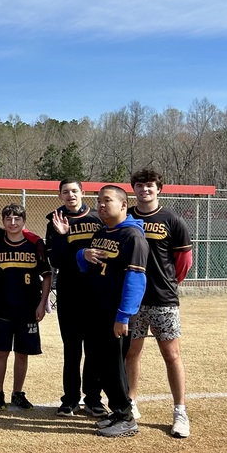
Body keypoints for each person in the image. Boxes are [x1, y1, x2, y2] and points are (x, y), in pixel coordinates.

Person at [125, 168, 194, 438]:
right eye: (140, 185)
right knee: (131, 352)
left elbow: (183, 263)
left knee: (172, 355)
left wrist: (165, 283)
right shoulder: (126, 216)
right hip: (133, 300)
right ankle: (130, 403)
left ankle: (180, 411)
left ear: (159, 189)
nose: (145, 190)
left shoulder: (172, 220)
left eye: (150, 185)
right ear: (134, 189)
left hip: (163, 299)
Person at [76, 185, 149, 438]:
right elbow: (86, 268)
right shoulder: (101, 233)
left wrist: (123, 315)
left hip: (114, 314)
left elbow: (136, 279)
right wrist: (82, 253)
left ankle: (126, 416)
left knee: (113, 364)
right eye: (99, 201)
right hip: (95, 310)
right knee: (98, 363)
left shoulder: (133, 236)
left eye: (107, 200)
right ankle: (117, 413)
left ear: (123, 205)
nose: (101, 205)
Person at [0, 204, 51, 410]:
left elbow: (47, 276)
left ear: (23, 221)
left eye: (17, 219)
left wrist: (42, 303)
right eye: (8, 219)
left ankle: (18, 393)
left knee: (22, 353)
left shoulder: (34, 245)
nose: (13, 223)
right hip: (3, 307)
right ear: (3, 221)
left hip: (28, 308)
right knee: (1, 352)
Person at [46, 179, 106, 417]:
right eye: (65, 192)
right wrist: (62, 236)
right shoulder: (56, 220)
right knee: (72, 349)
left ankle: (93, 398)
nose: (70, 195)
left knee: (94, 348)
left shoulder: (97, 218)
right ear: (60, 195)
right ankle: (70, 399)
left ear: (83, 192)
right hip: (70, 291)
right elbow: (57, 260)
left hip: (96, 290)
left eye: (74, 191)